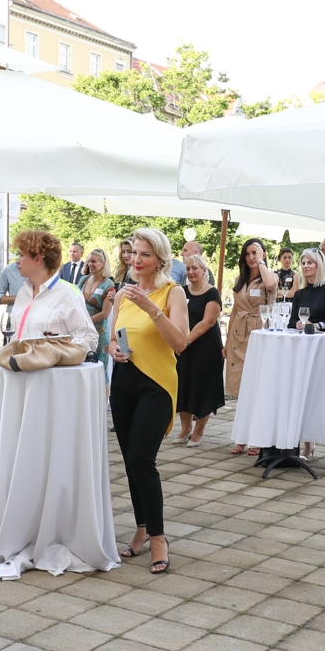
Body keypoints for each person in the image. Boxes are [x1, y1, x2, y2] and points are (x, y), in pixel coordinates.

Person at [108, 228, 190, 574]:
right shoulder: (122, 294)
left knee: (143, 460)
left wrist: (151, 308)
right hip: (123, 383)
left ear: (160, 259)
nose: (136, 260)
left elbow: (180, 342)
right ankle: (141, 527)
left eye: (145, 254)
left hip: (157, 385)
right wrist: (113, 349)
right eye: (134, 253)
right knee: (130, 461)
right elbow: (112, 338)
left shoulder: (174, 292)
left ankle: (158, 537)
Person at [288, 248, 325, 466]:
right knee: (305, 395)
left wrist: (317, 326)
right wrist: (298, 324)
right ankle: (308, 445)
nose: (305, 266)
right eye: (303, 263)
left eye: (310, 262)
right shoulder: (300, 294)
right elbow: (291, 321)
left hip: (324, 350)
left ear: (319, 265)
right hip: (303, 351)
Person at [11, 230, 100, 350]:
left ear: (38, 259)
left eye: (21, 255)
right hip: (16, 361)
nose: (17, 261)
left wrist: (57, 355)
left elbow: (89, 338)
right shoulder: (23, 292)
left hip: (49, 363)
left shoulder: (69, 294)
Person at [223, 238, 278, 425]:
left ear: (263, 254)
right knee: (240, 383)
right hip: (239, 334)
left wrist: (261, 261)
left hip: (259, 332)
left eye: (255, 253)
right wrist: (227, 342)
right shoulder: (240, 280)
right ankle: (242, 428)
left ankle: (257, 427)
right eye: (247, 254)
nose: (251, 257)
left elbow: (270, 286)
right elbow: (235, 311)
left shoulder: (270, 277)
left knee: (258, 382)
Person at [173, 253, 224, 446]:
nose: (191, 271)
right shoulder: (181, 291)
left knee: (203, 387)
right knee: (184, 385)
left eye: (195, 268)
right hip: (184, 347)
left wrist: (186, 341)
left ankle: (199, 430)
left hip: (206, 347)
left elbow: (208, 322)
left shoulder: (212, 293)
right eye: (188, 268)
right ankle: (185, 428)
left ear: (204, 270)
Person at [81, 248, 117, 370]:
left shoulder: (108, 284)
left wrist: (86, 322)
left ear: (103, 264)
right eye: (89, 261)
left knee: (100, 369)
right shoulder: (83, 280)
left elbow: (105, 313)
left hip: (99, 333)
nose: (90, 264)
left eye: (93, 261)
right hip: (83, 331)